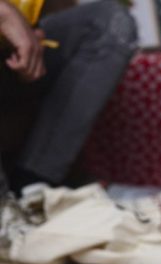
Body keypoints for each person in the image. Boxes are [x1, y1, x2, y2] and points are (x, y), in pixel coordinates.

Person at [0, 0, 137, 198]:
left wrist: (31, 30)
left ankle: (32, 186)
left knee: (109, 21)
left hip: (12, 57)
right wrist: (5, 14)